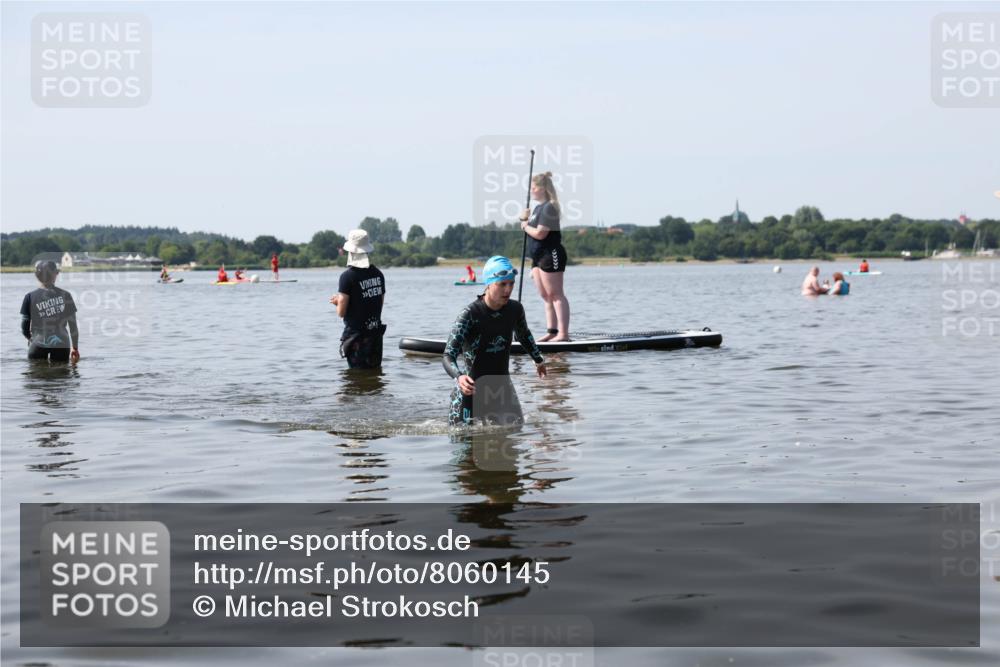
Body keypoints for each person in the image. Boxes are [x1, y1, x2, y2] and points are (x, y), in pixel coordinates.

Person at [443, 256, 547, 426]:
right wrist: (459, 377)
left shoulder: (515, 310)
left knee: (516, 431)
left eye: (511, 283)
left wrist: (538, 360)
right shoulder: (470, 314)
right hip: (470, 391)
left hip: (502, 389)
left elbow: (523, 335)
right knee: (463, 439)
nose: (508, 289)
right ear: (489, 284)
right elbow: (448, 355)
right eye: (502, 284)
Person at [519, 171, 570, 341]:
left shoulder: (549, 207)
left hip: (550, 254)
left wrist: (525, 226)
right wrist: (523, 218)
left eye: (533, 187)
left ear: (542, 189)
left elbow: (541, 234)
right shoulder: (537, 209)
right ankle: (552, 332)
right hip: (537, 258)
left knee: (556, 295)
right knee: (546, 296)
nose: (531, 190)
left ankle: (563, 334)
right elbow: (531, 228)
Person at [330, 229, 386, 369]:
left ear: (351, 252)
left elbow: (341, 312)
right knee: (375, 375)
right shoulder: (378, 274)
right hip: (375, 337)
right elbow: (379, 304)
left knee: (356, 377)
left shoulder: (347, 277)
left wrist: (337, 302)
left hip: (357, 339)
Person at [20, 260, 80, 363]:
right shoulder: (66, 295)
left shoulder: (29, 297)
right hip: (62, 343)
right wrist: (75, 348)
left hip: (38, 343)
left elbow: (24, 327)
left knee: (36, 371)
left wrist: (30, 339)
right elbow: (73, 326)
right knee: (61, 372)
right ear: (56, 274)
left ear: (37, 275)